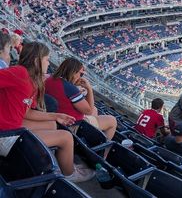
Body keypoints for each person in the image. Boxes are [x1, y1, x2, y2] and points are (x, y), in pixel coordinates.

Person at [0, 42, 93, 182]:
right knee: (66, 137)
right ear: (37, 61)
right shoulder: (19, 72)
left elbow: (27, 113)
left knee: (52, 125)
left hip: (12, 126)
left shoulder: (32, 80)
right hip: (6, 135)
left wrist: (56, 116)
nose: (49, 63)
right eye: (47, 59)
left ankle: (58, 162)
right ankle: (69, 174)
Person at [45, 58, 118, 141]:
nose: (80, 77)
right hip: (73, 126)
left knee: (95, 109)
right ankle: (103, 151)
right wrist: (89, 88)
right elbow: (88, 111)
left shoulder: (49, 79)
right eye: (80, 74)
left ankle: (94, 135)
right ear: (73, 73)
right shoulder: (70, 88)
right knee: (112, 120)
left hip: (58, 120)